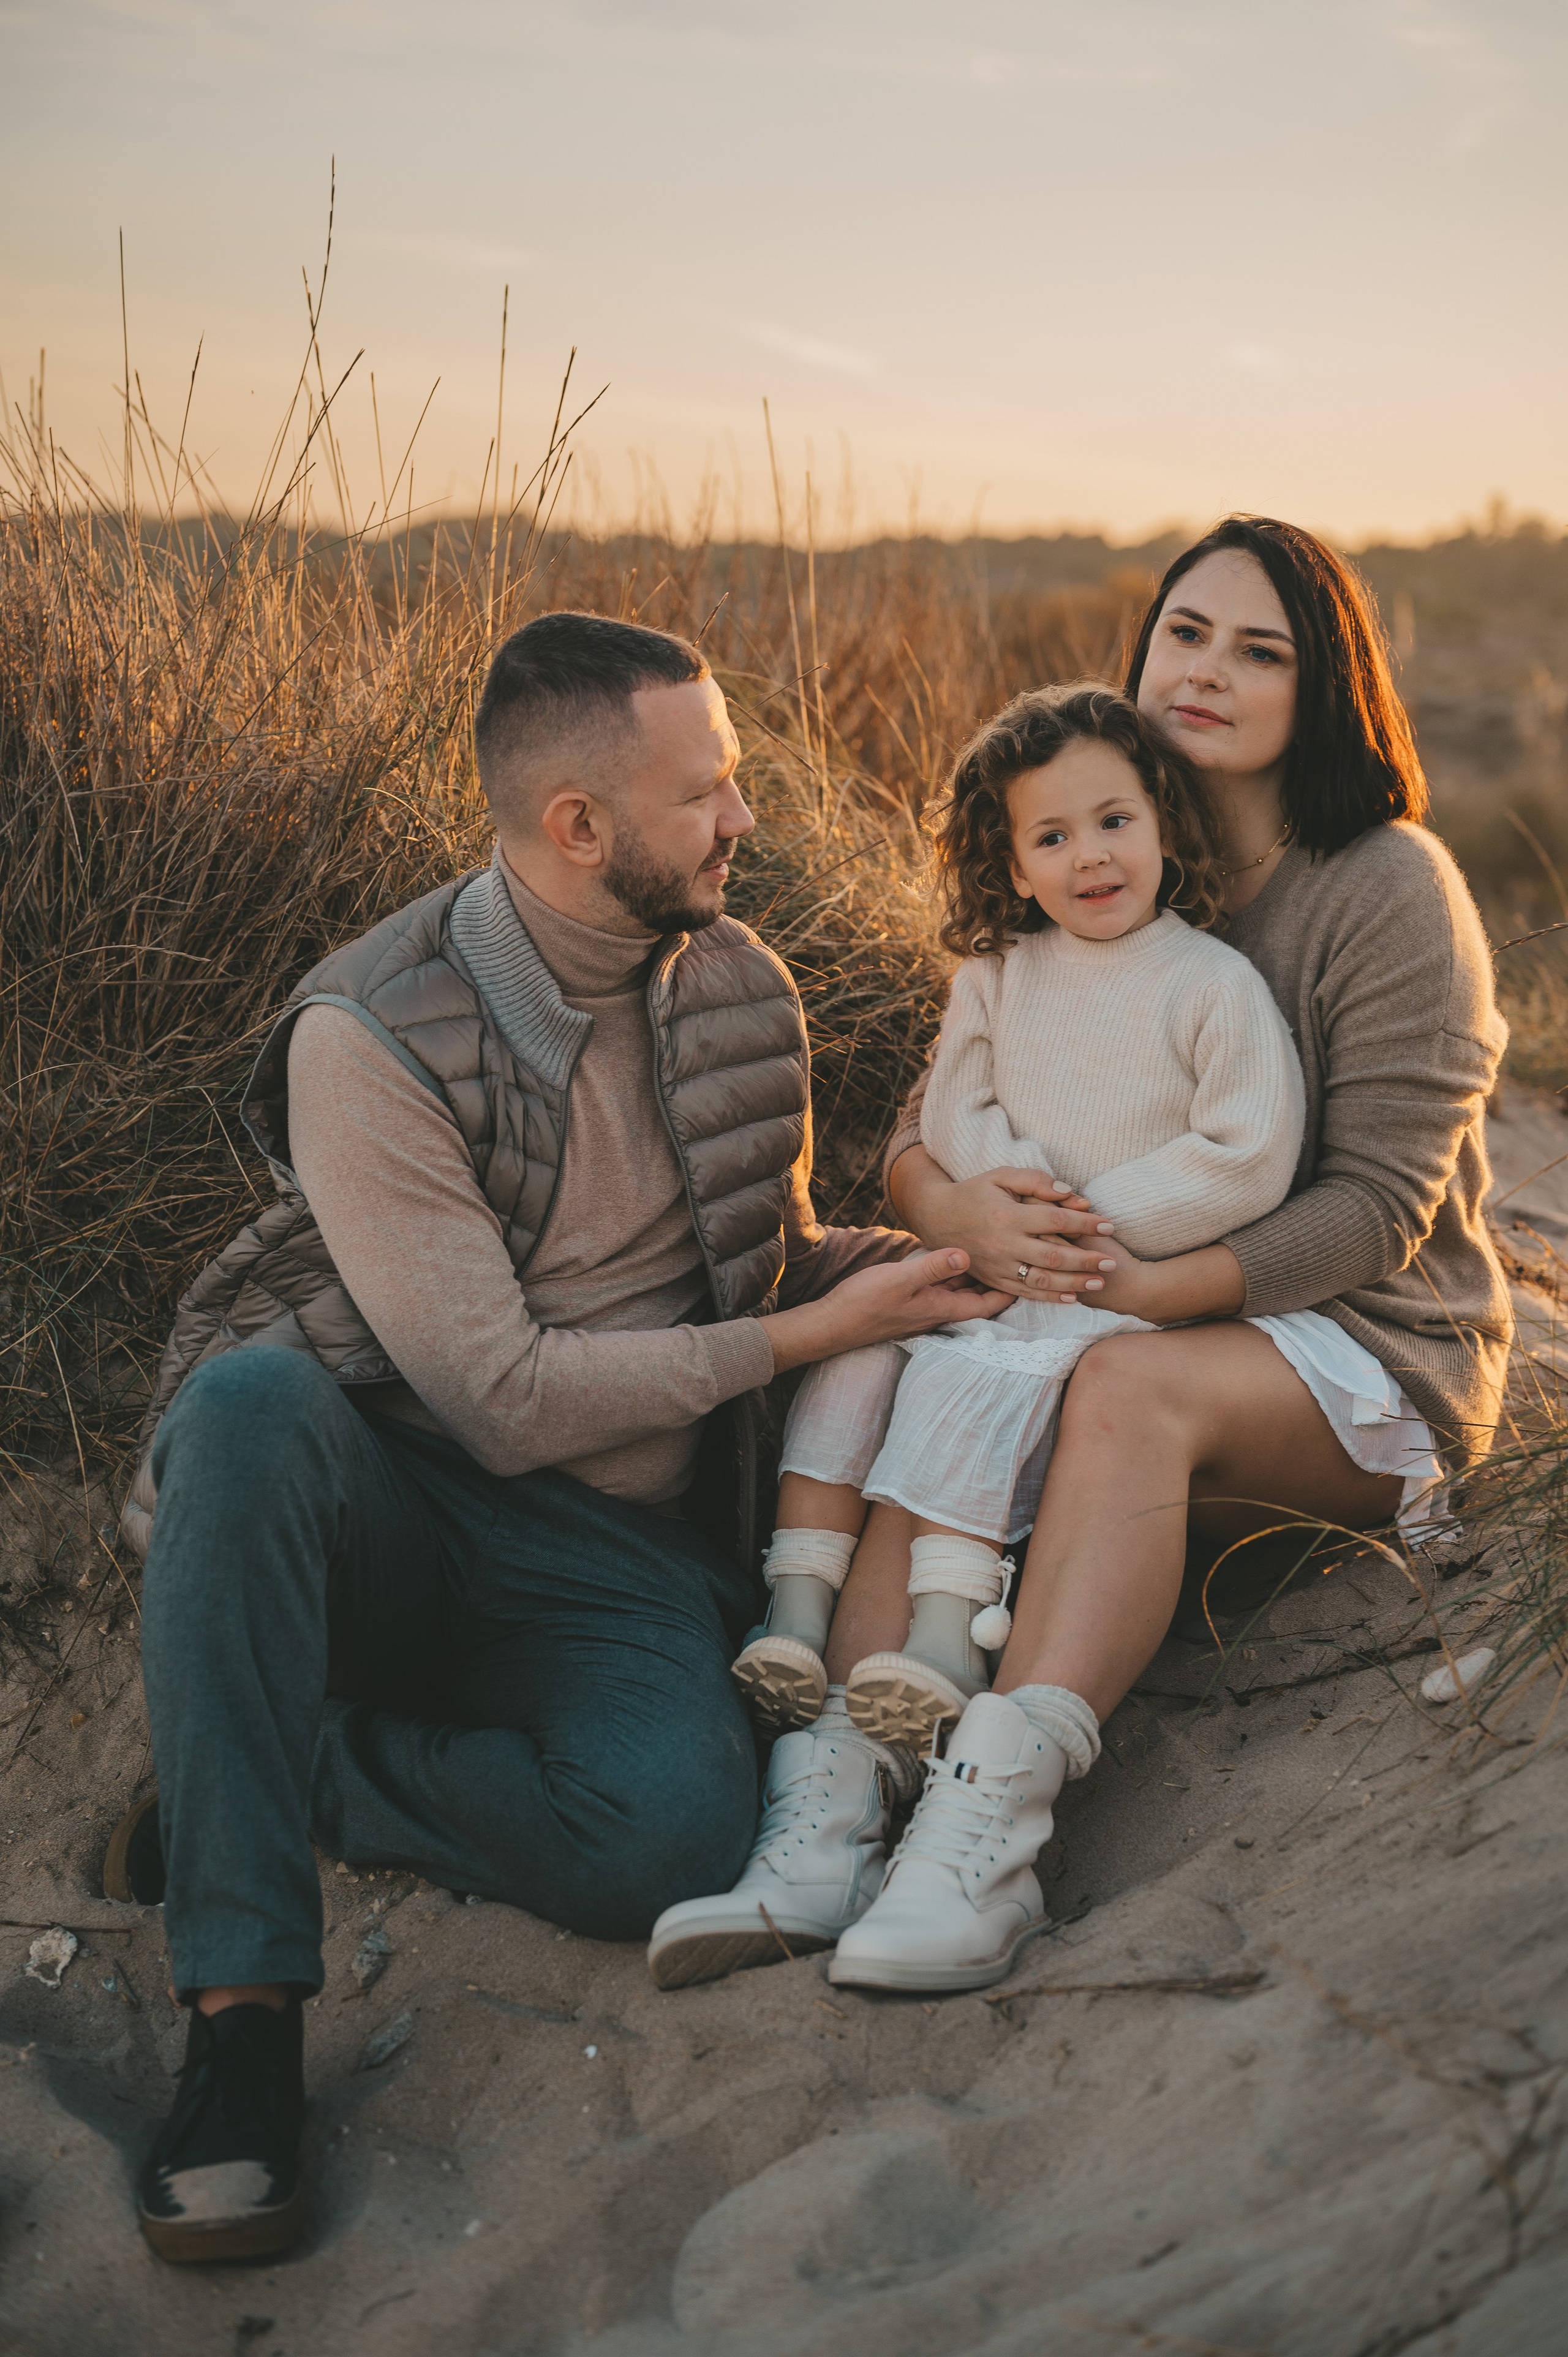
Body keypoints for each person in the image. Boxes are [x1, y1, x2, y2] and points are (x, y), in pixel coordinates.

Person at [102, 611, 1010, 2262]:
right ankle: (238, 2029)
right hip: (393, 1490)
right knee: (243, 1406)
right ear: (580, 828)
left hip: (626, 1553)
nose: (745, 817)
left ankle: (284, 1758)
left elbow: (765, 1263)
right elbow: (497, 1399)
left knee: (667, 1833)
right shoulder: (369, 1032)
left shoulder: (743, 986)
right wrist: (808, 1335)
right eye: (709, 788)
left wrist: (945, 1268)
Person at [655, 516, 1511, 2001]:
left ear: (1327, 688)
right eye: (1186, 631)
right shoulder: (1086, 836)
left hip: (1356, 1349)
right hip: (1092, 1308)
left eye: (1262, 651)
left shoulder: (1382, 883)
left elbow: (1376, 1205)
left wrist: (1124, 1286)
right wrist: (962, 1215)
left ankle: (986, 1831)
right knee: (924, 1362)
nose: (1210, 672)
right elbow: (927, 1132)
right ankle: (837, 1799)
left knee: (1119, 1386)